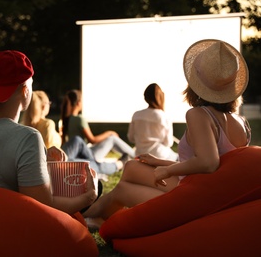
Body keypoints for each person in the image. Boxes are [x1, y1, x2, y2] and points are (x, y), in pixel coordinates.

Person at [82, 39, 251, 223]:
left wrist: (167, 171)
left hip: (196, 199)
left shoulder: (199, 115)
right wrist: (161, 162)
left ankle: (84, 216)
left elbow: (209, 162)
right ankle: (94, 215)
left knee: (123, 189)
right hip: (210, 192)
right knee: (131, 166)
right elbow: (212, 164)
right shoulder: (240, 121)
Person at [0, 50, 97, 215]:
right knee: (93, 189)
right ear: (25, 91)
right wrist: (89, 197)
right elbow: (44, 208)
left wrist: (39, 157)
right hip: (6, 225)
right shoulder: (29, 137)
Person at [21, 90, 122, 176]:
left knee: (77, 140)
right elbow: (50, 150)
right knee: (91, 164)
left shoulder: (24, 126)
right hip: (54, 165)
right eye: (49, 103)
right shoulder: (48, 124)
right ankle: (119, 164)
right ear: (43, 107)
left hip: (47, 162)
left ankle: (95, 161)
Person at [60, 89, 135, 166]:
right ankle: (136, 156)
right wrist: (109, 133)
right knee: (112, 138)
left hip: (78, 154)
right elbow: (92, 140)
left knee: (112, 139)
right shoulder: (79, 119)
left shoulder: (67, 119)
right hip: (86, 155)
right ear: (79, 103)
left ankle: (129, 156)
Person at [127, 83, 178, 161]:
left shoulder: (136, 115)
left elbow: (131, 138)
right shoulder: (164, 116)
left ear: (145, 97)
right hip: (160, 155)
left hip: (140, 154)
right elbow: (168, 143)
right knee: (179, 157)